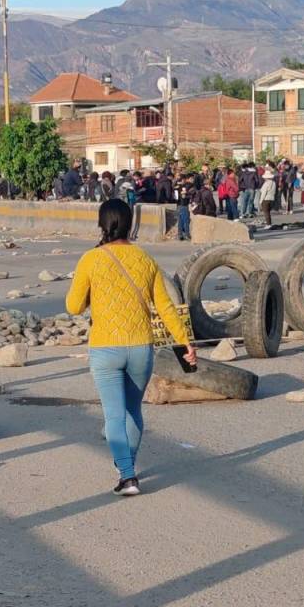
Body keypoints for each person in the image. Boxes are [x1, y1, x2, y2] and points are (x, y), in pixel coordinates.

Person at [65, 199, 196, 497]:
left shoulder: (90, 259)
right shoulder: (145, 259)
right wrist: (185, 342)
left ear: (102, 224)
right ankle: (128, 467)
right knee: (133, 410)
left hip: (105, 349)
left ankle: (127, 476)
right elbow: (165, 306)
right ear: (130, 225)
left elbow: (73, 306)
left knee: (114, 416)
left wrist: (91, 297)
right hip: (140, 347)